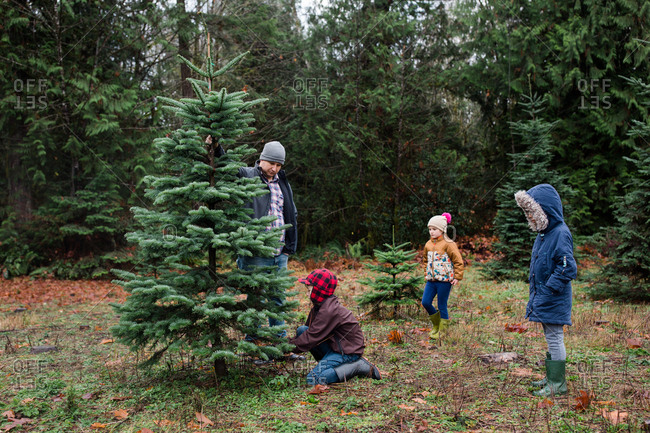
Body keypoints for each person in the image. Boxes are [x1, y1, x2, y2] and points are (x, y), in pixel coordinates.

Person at [515, 184, 577, 397]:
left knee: (555, 337)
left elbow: (567, 267)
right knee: (550, 336)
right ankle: (551, 378)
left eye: (533, 212)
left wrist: (549, 290)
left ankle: (558, 384)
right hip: (544, 296)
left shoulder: (560, 233)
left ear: (546, 210)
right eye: (528, 213)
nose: (530, 216)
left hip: (553, 297)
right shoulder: (543, 234)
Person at [233, 140, 298, 338]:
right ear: (262, 159)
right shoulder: (248, 175)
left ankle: (279, 340)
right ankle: (252, 342)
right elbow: (225, 167)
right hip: (257, 252)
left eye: (279, 165)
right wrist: (216, 147)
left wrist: (289, 247)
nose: (274, 168)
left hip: (279, 252)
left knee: (278, 298)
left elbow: (291, 213)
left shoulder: (282, 182)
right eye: (271, 163)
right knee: (256, 298)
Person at [288, 268, 381, 385]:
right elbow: (308, 334)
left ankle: (358, 366)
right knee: (302, 330)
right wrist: (285, 346)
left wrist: (283, 348)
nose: (306, 293)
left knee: (313, 379)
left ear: (318, 291)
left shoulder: (328, 311)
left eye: (309, 289)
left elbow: (310, 338)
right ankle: (329, 364)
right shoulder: (319, 307)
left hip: (347, 352)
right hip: (335, 347)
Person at [421, 212, 464, 340]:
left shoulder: (448, 243)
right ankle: (436, 324)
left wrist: (457, 276)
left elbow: (458, 260)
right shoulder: (428, 244)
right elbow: (425, 260)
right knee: (426, 302)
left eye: (434, 229)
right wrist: (426, 273)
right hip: (431, 281)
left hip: (445, 281)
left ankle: (443, 330)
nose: (431, 232)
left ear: (442, 230)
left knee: (441, 304)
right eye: (430, 229)